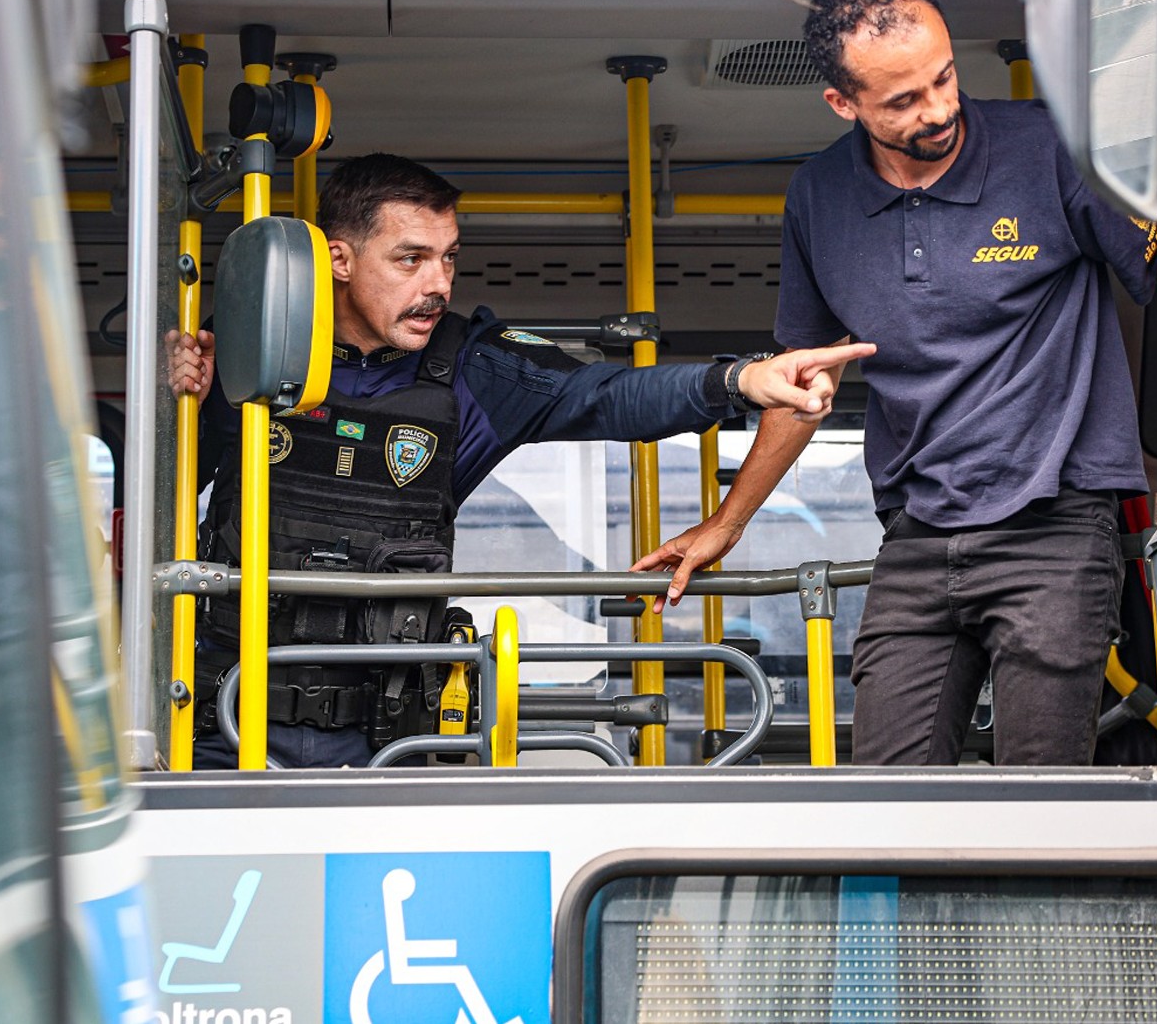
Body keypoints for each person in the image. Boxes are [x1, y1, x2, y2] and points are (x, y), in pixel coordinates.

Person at [633, 0, 1157, 767]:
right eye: (905, 100)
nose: (940, 108)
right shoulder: (817, 197)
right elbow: (802, 380)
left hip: (1051, 526)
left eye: (945, 78)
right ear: (843, 103)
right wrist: (725, 525)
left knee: (1044, 803)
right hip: (916, 536)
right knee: (886, 796)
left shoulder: (1049, 146)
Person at [167, 152, 873, 768]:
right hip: (225, 724)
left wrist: (737, 382)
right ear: (340, 260)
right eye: (410, 259)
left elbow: (609, 396)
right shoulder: (249, 351)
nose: (437, 283)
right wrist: (176, 402)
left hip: (389, 740)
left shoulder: (472, 369)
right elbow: (160, 504)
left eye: (448, 257)